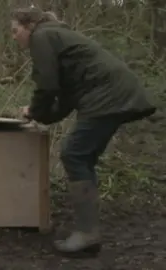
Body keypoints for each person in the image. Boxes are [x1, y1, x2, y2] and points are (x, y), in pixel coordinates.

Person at [10, 7, 156, 257]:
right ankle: (88, 232)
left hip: (108, 96)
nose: (14, 37)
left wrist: (34, 108)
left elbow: (46, 85)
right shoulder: (59, 39)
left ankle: (87, 233)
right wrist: (37, 113)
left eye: (15, 31)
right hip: (116, 94)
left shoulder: (42, 37)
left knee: (74, 154)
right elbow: (65, 99)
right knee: (81, 156)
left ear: (29, 26)